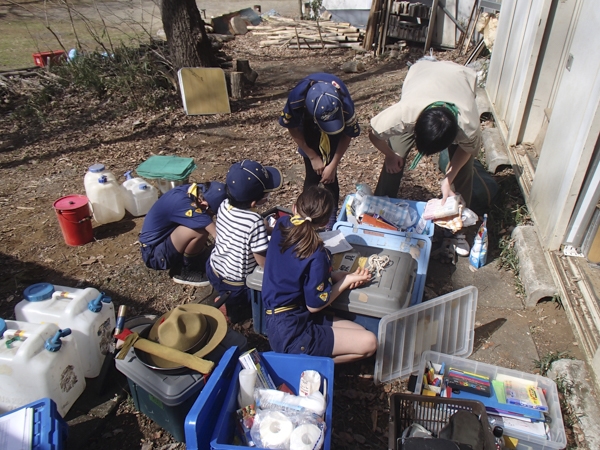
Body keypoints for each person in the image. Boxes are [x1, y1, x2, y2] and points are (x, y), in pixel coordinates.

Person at [261, 186, 377, 363]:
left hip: (284, 318)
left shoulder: (281, 225)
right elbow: (315, 305)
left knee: (361, 333)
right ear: (324, 223)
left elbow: (295, 270)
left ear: (294, 208)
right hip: (292, 333)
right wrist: (346, 280)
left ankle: (311, 357)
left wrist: (333, 274)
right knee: (370, 342)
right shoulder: (317, 253)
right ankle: (309, 363)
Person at [369, 60, 481, 209]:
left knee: (464, 170)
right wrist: (390, 156)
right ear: (414, 127)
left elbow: (467, 150)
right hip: (423, 73)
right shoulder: (403, 114)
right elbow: (373, 133)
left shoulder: (468, 126)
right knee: (397, 155)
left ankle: (457, 215)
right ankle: (380, 206)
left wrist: (448, 179)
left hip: (459, 77)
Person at [279, 73, 360, 229]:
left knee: (330, 177)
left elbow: (348, 134)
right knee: (312, 174)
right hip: (308, 123)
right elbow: (292, 128)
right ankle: (306, 219)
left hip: (334, 125)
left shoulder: (343, 100)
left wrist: (333, 165)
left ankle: (330, 220)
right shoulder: (297, 99)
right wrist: (312, 155)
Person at [206, 159, 283, 324]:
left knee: (224, 290)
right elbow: (263, 263)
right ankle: (226, 311)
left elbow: (244, 226)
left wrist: (270, 229)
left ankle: (222, 298)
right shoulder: (254, 221)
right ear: (255, 203)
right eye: (267, 193)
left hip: (214, 268)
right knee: (243, 312)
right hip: (237, 285)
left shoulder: (224, 204)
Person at [139, 182, 227, 286]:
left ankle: (192, 256)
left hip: (162, 239)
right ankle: (185, 270)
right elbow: (217, 235)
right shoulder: (184, 203)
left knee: (199, 225)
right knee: (200, 231)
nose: (213, 215)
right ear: (204, 204)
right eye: (212, 212)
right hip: (154, 254)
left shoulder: (193, 191)